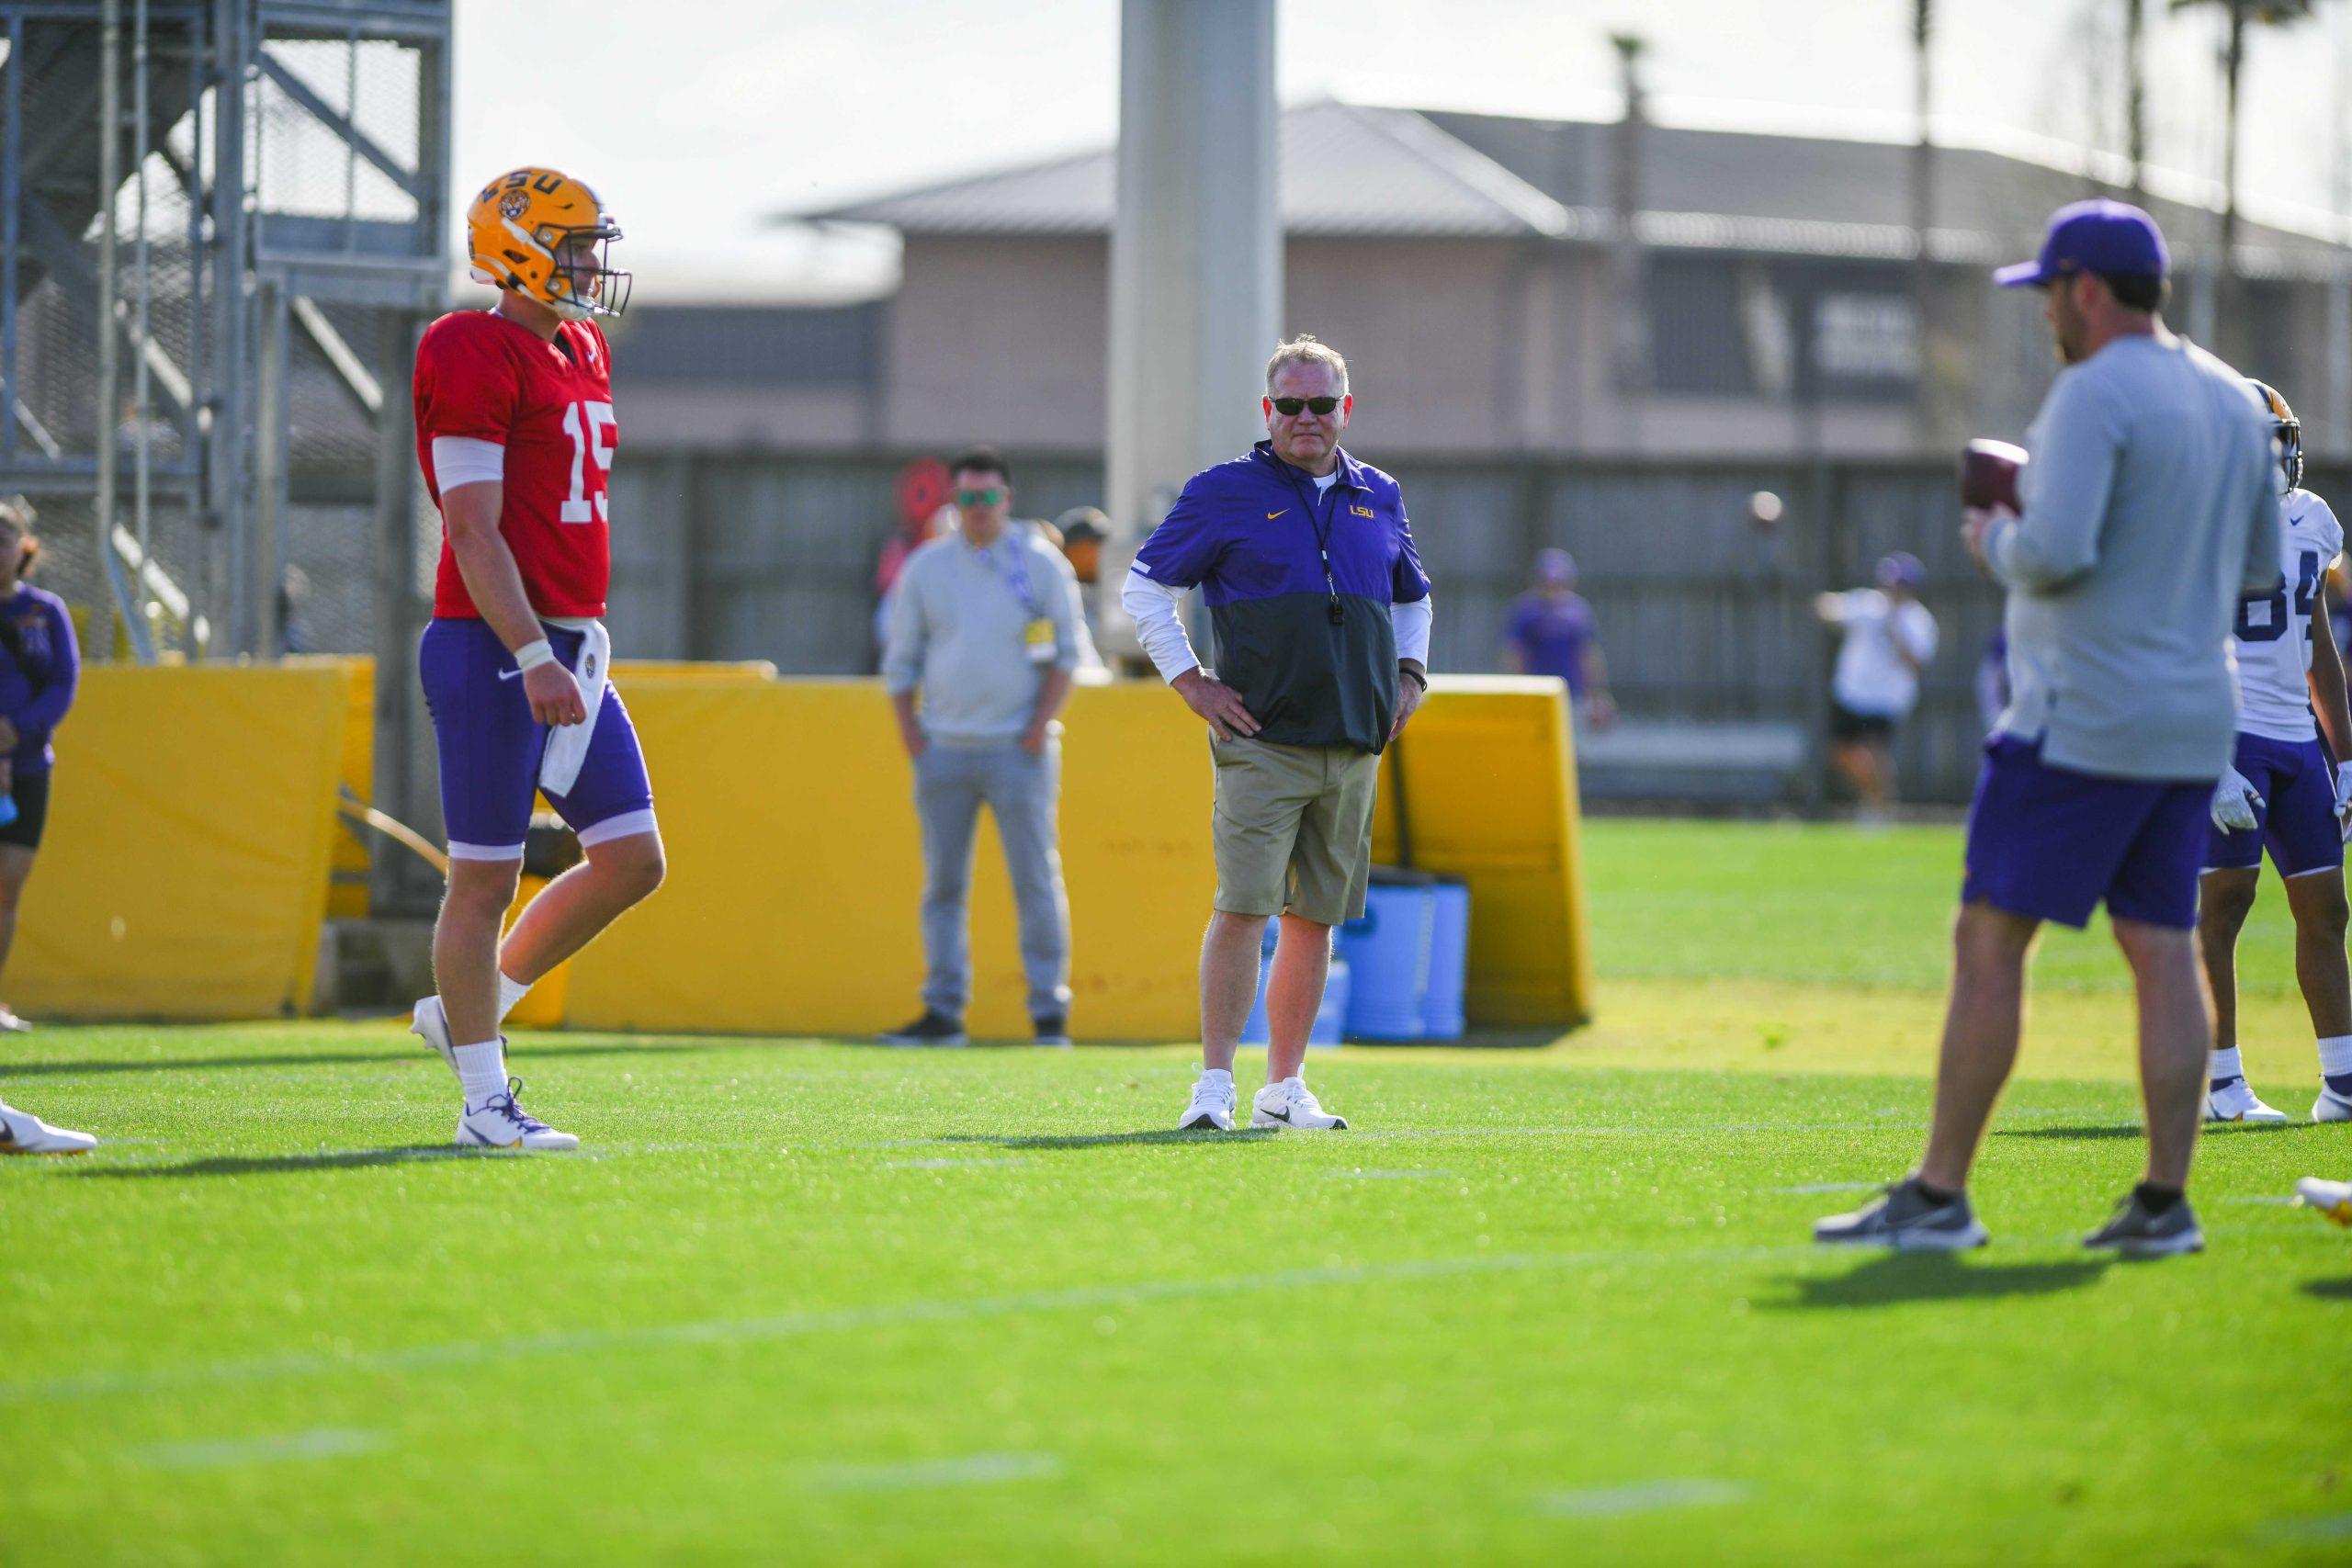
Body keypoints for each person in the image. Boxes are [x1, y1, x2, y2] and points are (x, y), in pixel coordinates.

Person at [1815, 199, 2281, 1258]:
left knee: (1989, 937)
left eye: (2047, 297)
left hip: (2083, 711)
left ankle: (1939, 1195)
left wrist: (1993, 538)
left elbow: (2056, 550)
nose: (2043, 320)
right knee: (2161, 946)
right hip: (2193, 716)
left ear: (2082, 288)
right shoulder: (2229, 397)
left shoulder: (2089, 392)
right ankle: (2163, 1204)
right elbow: (2257, 567)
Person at [406, 166, 665, 1152]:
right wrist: (527, 651)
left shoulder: (582, 343)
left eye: (596, 245)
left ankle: (472, 1005)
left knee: (632, 859)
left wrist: (560, 647)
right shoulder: (469, 344)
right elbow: (472, 530)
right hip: (493, 644)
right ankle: (483, 1104)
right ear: (518, 246)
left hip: (567, 643)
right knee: (482, 881)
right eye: (576, 246)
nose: (594, 265)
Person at [1121, 333, 1433, 1132]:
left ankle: (1282, 1087)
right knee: (1244, 907)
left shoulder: (1380, 494)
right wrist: (1191, 682)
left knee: (1315, 918)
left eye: (1320, 404)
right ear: (1268, 411)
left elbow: (1412, 598)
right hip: (1261, 738)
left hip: (1352, 742)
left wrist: (1409, 675)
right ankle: (1216, 1084)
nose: (1305, 418)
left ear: (1344, 409)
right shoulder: (1223, 490)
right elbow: (1146, 588)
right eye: (1289, 405)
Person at [882, 447, 1086, 1046]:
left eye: (986, 497)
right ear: (954, 502)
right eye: (966, 498)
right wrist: (913, 735)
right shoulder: (927, 567)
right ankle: (943, 1012)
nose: (976, 509)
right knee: (943, 885)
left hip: (1018, 751)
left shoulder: (1042, 564)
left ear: (1008, 499)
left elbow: (1069, 655)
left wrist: (1036, 726)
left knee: (1035, 879)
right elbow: (900, 662)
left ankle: (1050, 1013)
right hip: (943, 748)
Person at [2199, 381, 2352, 1125]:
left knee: (2327, 908)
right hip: (2227, 733)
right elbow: (2175, 644)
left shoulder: (2312, 519)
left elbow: (2318, 647)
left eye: (2275, 439)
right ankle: (2222, 1083)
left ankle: (2342, 1082)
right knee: (2223, 903)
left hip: (2297, 739)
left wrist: (2347, 757)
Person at [0, 498, 89, 1156]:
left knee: (10, 883)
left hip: (27, 767)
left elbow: (63, 682)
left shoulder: (44, 610)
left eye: (5, 538)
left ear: (24, 547)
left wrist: (18, 732)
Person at [1815, 553, 1938, 823]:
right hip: (1852, 692)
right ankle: (1876, 799)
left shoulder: (1918, 621)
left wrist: (1894, 632)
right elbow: (1830, 608)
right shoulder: (1869, 604)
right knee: (1841, 752)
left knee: (1874, 753)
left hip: (1886, 698)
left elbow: (1916, 664)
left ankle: (1879, 809)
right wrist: (1830, 606)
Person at [1502, 548, 1614, 728]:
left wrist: (1598, 695)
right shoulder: (1526, 612)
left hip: (1572, 694)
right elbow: (1515, 654)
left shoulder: (1578, 612)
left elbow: (1589, 655)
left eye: (1557, 582)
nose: (1552, 587)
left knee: (1572, 746)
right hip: (1535, 693)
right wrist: (1514, 690)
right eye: (1547, 581)